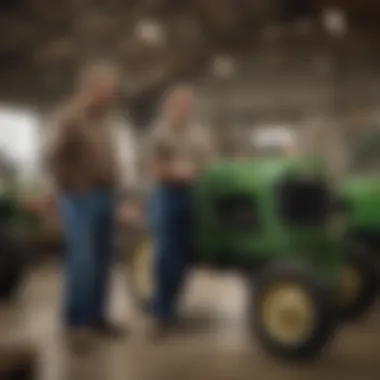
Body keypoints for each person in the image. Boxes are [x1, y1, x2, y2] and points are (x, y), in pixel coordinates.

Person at [44, 64, 127, 351]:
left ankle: (97, 317)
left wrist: (118, 196)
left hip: (105, 196)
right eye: (108, 90)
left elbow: (111, 159)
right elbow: (51, 156)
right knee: (83, 262)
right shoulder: (69, 117)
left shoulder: (105, 120)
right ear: (91, 89)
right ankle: (76, 325)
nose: (112, 95)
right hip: (81, 198)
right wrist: (69, 186)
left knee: (103, 262)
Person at [144, 84, 216, 337]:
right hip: (167, 196)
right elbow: (152, 167)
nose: (185, 110)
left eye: (188, 106)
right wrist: (175, 172)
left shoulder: (199, 134)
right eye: (180, 105)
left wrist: (199, 172)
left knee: (184, 257)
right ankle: (161, 315)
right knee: (166, 256)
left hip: (193, 197)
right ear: (169, 107)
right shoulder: (159, 133)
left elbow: (209, 163)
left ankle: (174, 308)